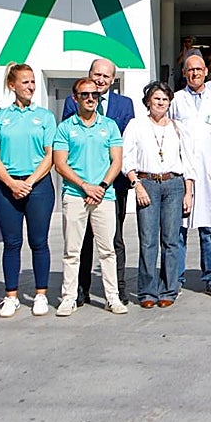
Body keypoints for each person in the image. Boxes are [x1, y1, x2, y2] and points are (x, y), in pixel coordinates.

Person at [61, 58, 135, 307]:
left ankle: (117, 291)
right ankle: (80, 291)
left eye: (106, 76)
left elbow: (125, 145)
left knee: (113, 241)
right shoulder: (74, 104)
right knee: (81, 241)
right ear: (90, 75)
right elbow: (65, 153)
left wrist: (104, 185)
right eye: (97, 75)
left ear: (113, 80)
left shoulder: (124, 106)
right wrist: (84, 186)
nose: (101, 80)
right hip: (79, 189)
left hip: (113, 186)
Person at [0, 63, 56, 319]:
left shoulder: (46, 117)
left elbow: (50, 156)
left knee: (39, 242)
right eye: (25, 82)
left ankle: (40, 294)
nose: (30, 87)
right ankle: (11, 296)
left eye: (33, 82)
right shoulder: (0, 117)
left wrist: (29, 182)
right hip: (7, 188)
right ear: (12, 85)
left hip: (38, 187)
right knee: (12, 243)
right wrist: (12, 183)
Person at [122, 81, 193, 309]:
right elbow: (127, 158)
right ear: (148, 102)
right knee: (148, 240)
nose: (161, 103)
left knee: (171, 240)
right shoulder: (136, 125)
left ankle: (169, 289)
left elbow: (188, 162)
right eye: (156, 99)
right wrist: (136, 184)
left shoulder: (178, 127)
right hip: (147, 184)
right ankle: (147, 291)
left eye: (164, 99)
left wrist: (188, 192)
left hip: (173, 184)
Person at [169, 52, 211, 296]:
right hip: (180, 171)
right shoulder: (175, 100)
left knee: (207, 228)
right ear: (184, 73)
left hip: (208, 172)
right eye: (190, 70)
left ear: (206, 72)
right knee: (178, 228)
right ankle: (175, 278)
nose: (195, 73)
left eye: (199, 69)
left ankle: (210, 277)